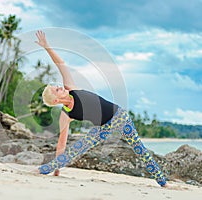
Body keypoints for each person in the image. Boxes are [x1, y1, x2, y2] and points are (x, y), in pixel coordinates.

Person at [34, 30, 168, 187]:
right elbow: (62, 144)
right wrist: (57, 169)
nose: (60, 87)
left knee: (140, 150)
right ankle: (44, 169)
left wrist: (47, 47)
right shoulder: (65, 115)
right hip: (103, 128)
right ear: (56, 100)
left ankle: (163, 182)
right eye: (57, 90)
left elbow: (61, 64)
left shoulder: (71, 88)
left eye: (58, 86)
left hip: (120, 117)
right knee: (77, 147)